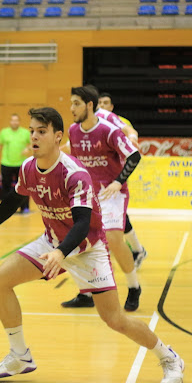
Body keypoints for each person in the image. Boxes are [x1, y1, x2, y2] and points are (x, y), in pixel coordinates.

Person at [0, 107, 184, 383]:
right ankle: (20, 356)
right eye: (32, 131)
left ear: (57, 136)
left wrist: (62, 252)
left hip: (87, 250)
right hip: (52, 242)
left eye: (41, 131)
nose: (34, 137)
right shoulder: (28, 167)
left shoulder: (75, 174)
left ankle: (169, 357)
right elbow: (14, 198)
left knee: (114, 319)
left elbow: (83, 223)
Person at [61, 86, 143, 310]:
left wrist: (118, 181)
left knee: (114, 239)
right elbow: (76, 162)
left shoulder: (108, 129)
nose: (71, 108)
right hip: (88, 195)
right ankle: (86, 293)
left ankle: (134, 287)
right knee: (78, 242)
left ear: (89, 105)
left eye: (76, 103)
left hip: (112, 193)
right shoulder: (73, 131)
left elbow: (134, 156)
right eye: (71, 103)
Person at [98, 91, 147, 270]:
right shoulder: (93, 123)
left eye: (106, 103)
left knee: (118, 216)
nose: (103, 106)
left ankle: (134, 251)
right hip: (99, 176)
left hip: (117, 174)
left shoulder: (120, 122)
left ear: (111, 107)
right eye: (100, 103)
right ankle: (136, 249)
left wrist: (133, 139)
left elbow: (131, 134)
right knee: (116, 217)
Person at [0, 113, 32, 213]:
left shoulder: (25, 132)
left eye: (16, 120)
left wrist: (28, 149)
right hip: (6, 163)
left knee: (23, 186)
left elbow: (33, 144)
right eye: (12, 120)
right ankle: (6, 207)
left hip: (21, 164)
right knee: (5, 186)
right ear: (10, 122)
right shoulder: (4, 132)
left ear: (19, 122)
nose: (14, 122)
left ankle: (24, 207)